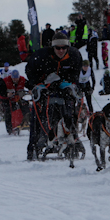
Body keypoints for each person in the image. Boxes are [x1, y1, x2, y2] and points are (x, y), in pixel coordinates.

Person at [25, 31, 83, 159]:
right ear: (53, 47)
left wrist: (71, 85)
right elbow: (30, 71)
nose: (61, 51)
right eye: (58, 48)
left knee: (70, 110)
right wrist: (38, 85)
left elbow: (75, 75)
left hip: (64, 86)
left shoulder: (74, 55)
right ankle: (34, 145)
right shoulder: (40, 56)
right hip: (45, 86)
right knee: (38, 113)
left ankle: (72, 139)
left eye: (64, 48)